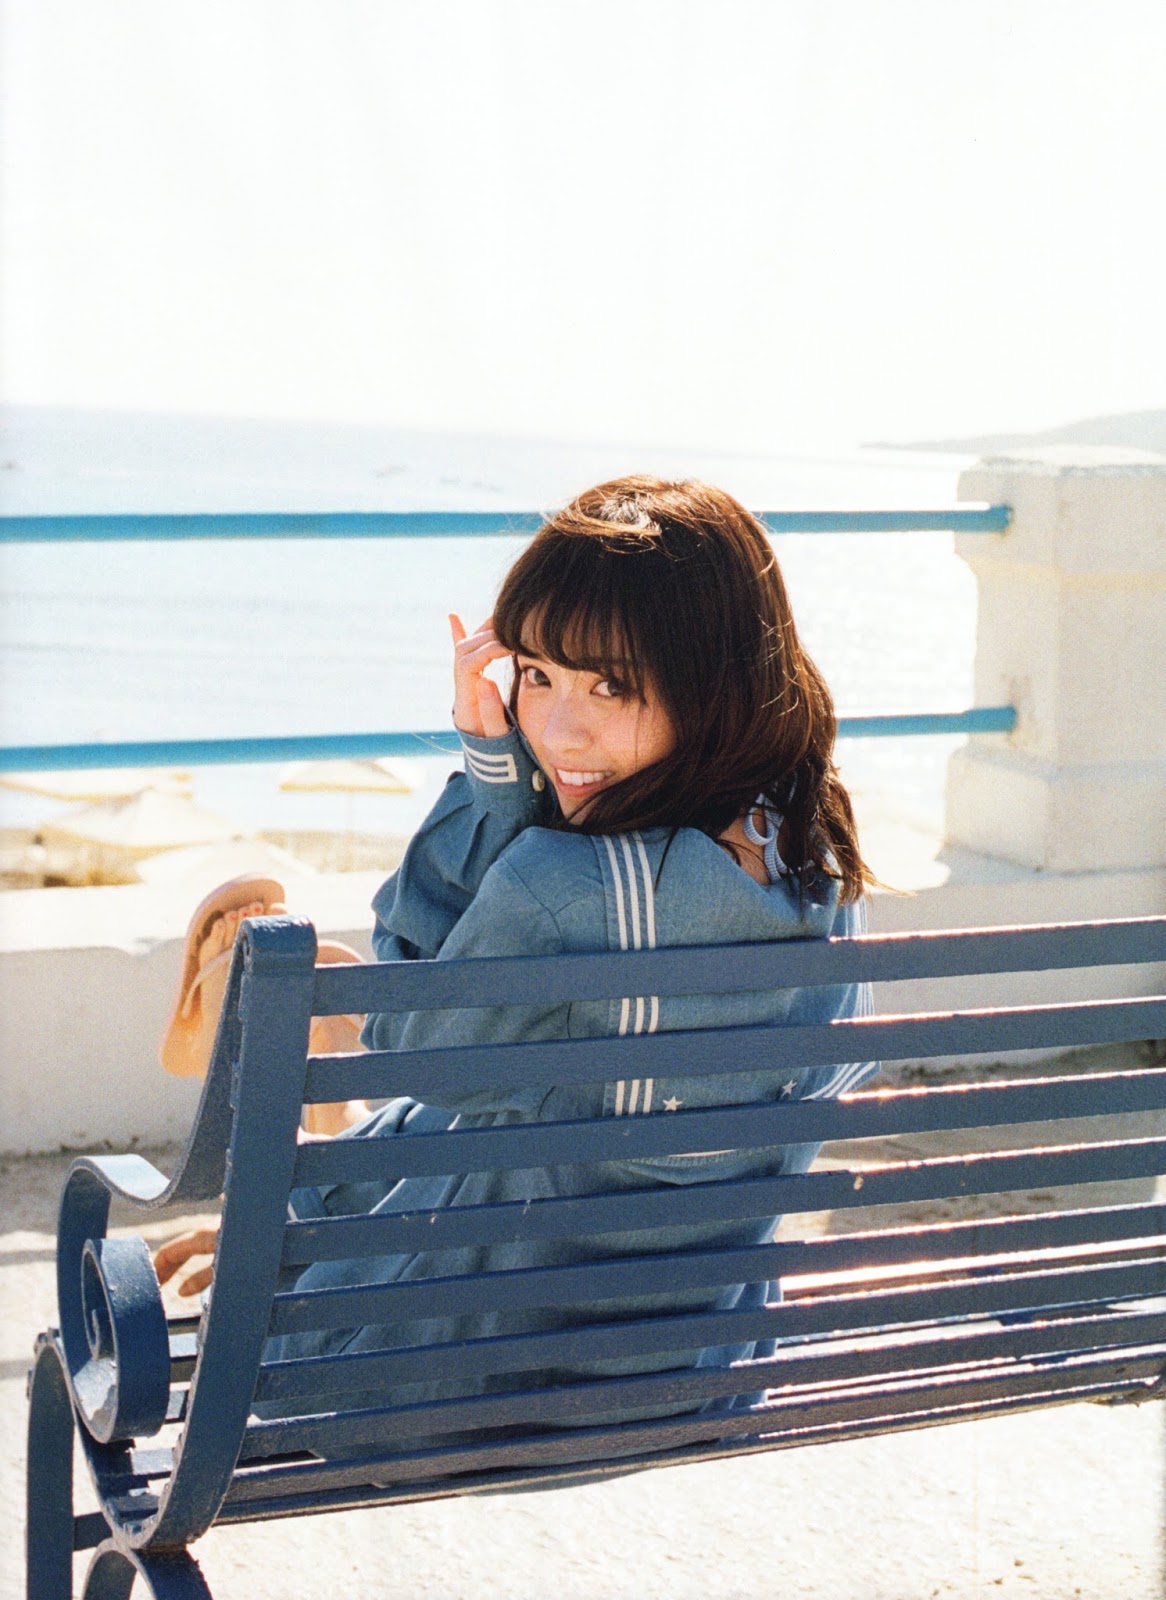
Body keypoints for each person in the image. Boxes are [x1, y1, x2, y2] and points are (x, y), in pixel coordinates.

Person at [154, 474, 877, 1433]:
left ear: (712, 684)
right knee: (520, 1091)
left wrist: (494, 772)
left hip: (460, 1388)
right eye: (536, 675)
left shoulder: (564, 886)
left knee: (437, 1064)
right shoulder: (817, 863)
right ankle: (298, 1196)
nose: (560, 731)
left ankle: (280, 1154)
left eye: (611, 685)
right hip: (703, 1370)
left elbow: (401, 1030)